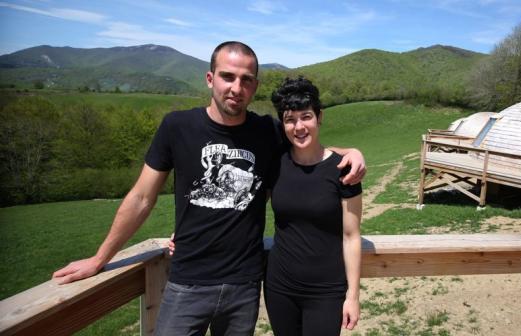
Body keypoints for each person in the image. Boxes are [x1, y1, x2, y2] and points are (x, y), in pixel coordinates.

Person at [52, 41, 365, 336]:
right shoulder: (177, 126)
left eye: (246, 80)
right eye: (227, 77)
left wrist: (351, 152)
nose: (236, 88)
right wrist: (99, 259)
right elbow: (141, 198)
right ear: (210, 78)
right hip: (187, 282)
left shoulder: (265, 130)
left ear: (254, 86)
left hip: (244, 285)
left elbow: (308, 147)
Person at [265, 77, 362, 335]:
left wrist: (353, 296)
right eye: (290, 119)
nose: (299, 126)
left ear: (320, 117)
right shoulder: (275, 163)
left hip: (327, 291)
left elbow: (351, 236)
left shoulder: (344, 169)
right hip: (279, 287)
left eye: (306, 116)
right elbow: (242, 209)